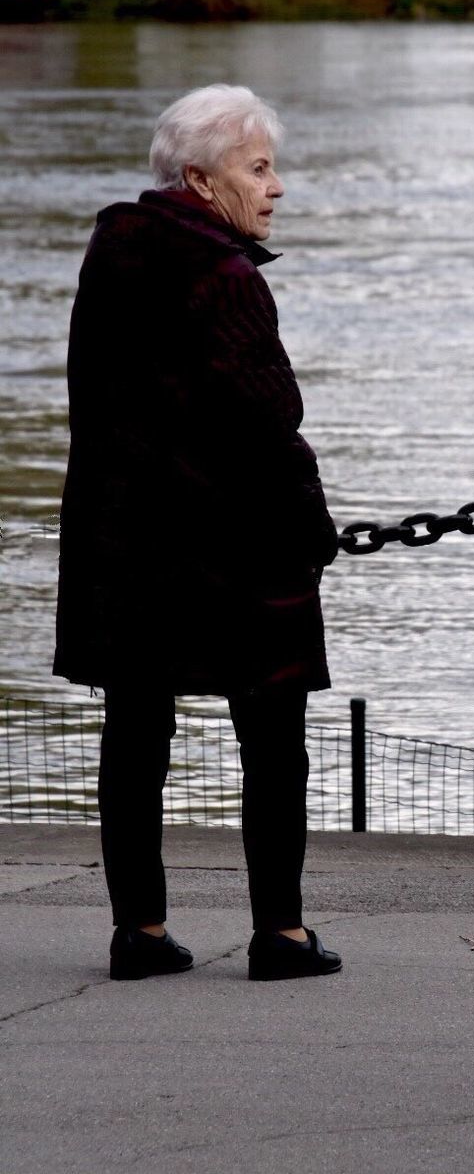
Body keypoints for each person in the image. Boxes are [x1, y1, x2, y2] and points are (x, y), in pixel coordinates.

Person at [53, 84, 343, 983]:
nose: (277, 187)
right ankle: (281, 935)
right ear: (198, 179)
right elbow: (270, 414)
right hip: (237, 545)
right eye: (257, 168)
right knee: (273, 734)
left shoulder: (114, 251)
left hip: (124, 538)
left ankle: (137, 932)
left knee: (135, 731)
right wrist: (313, 519)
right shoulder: (225, 276)